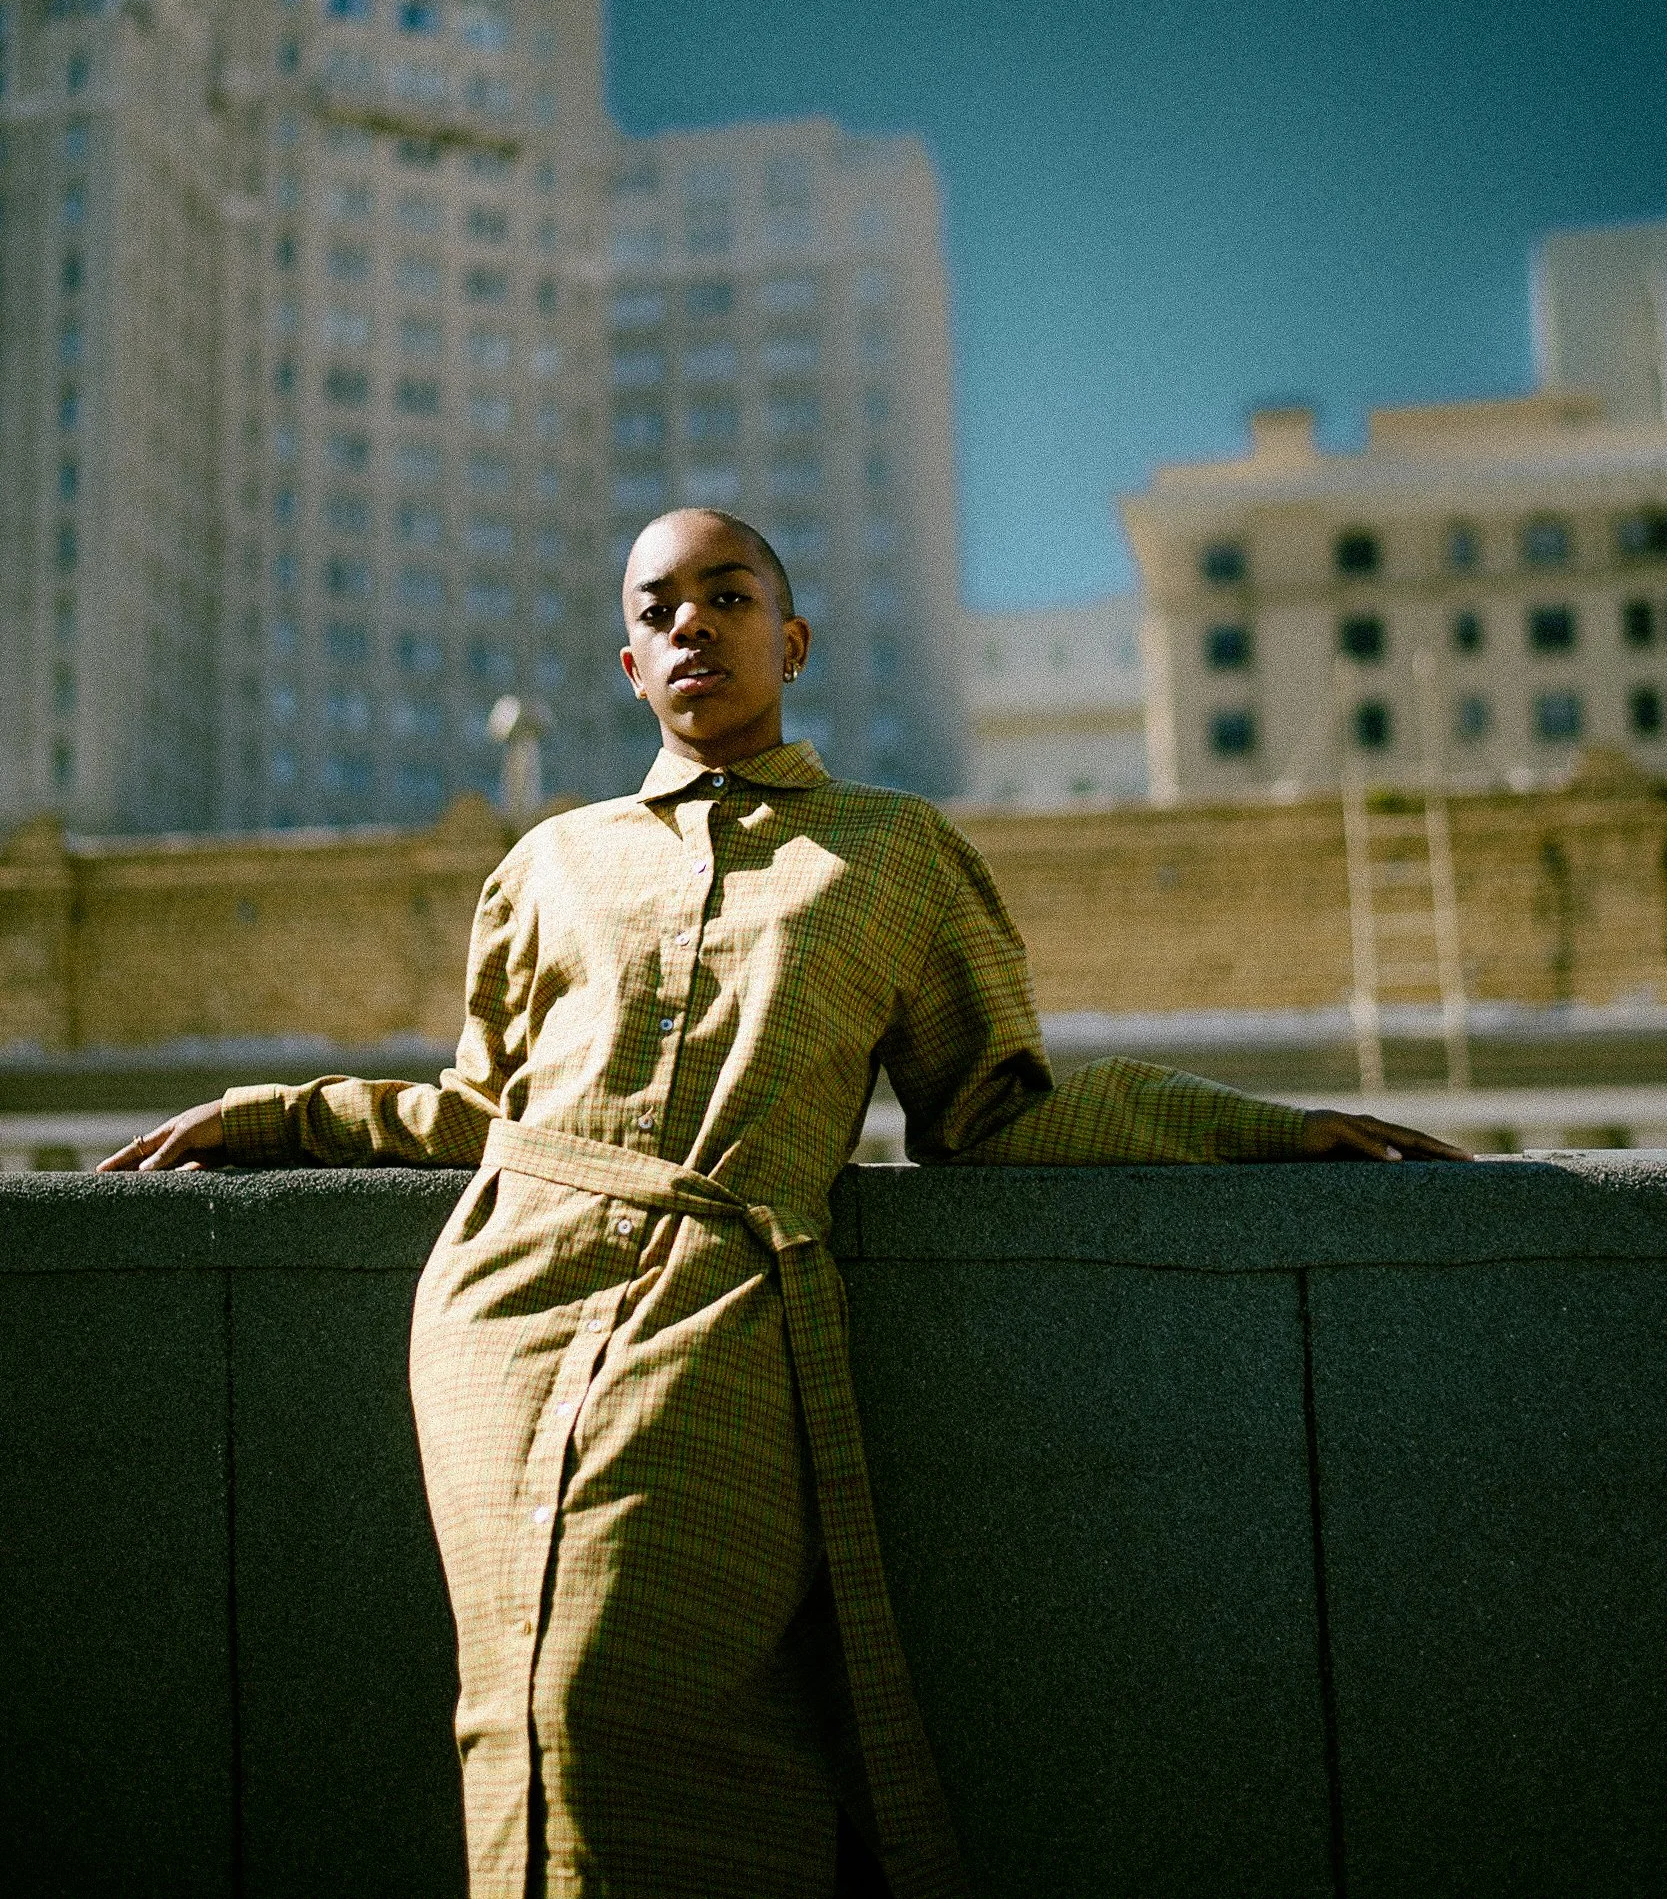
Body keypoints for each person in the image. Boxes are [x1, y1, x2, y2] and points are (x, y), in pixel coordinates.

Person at [100, 507, 1466, 1899]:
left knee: (608, 1680)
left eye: (728, 594)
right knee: (514, 1693)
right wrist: (280, 1114)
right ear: (628, 663)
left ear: (790, 638)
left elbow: (996, 1110)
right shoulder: (547, 865)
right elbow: (481, 1108)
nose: (692, 622)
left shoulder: (896, 855)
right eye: (658, 608)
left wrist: (1264, 1130)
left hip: (717, 1310)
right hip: (500, 1306)